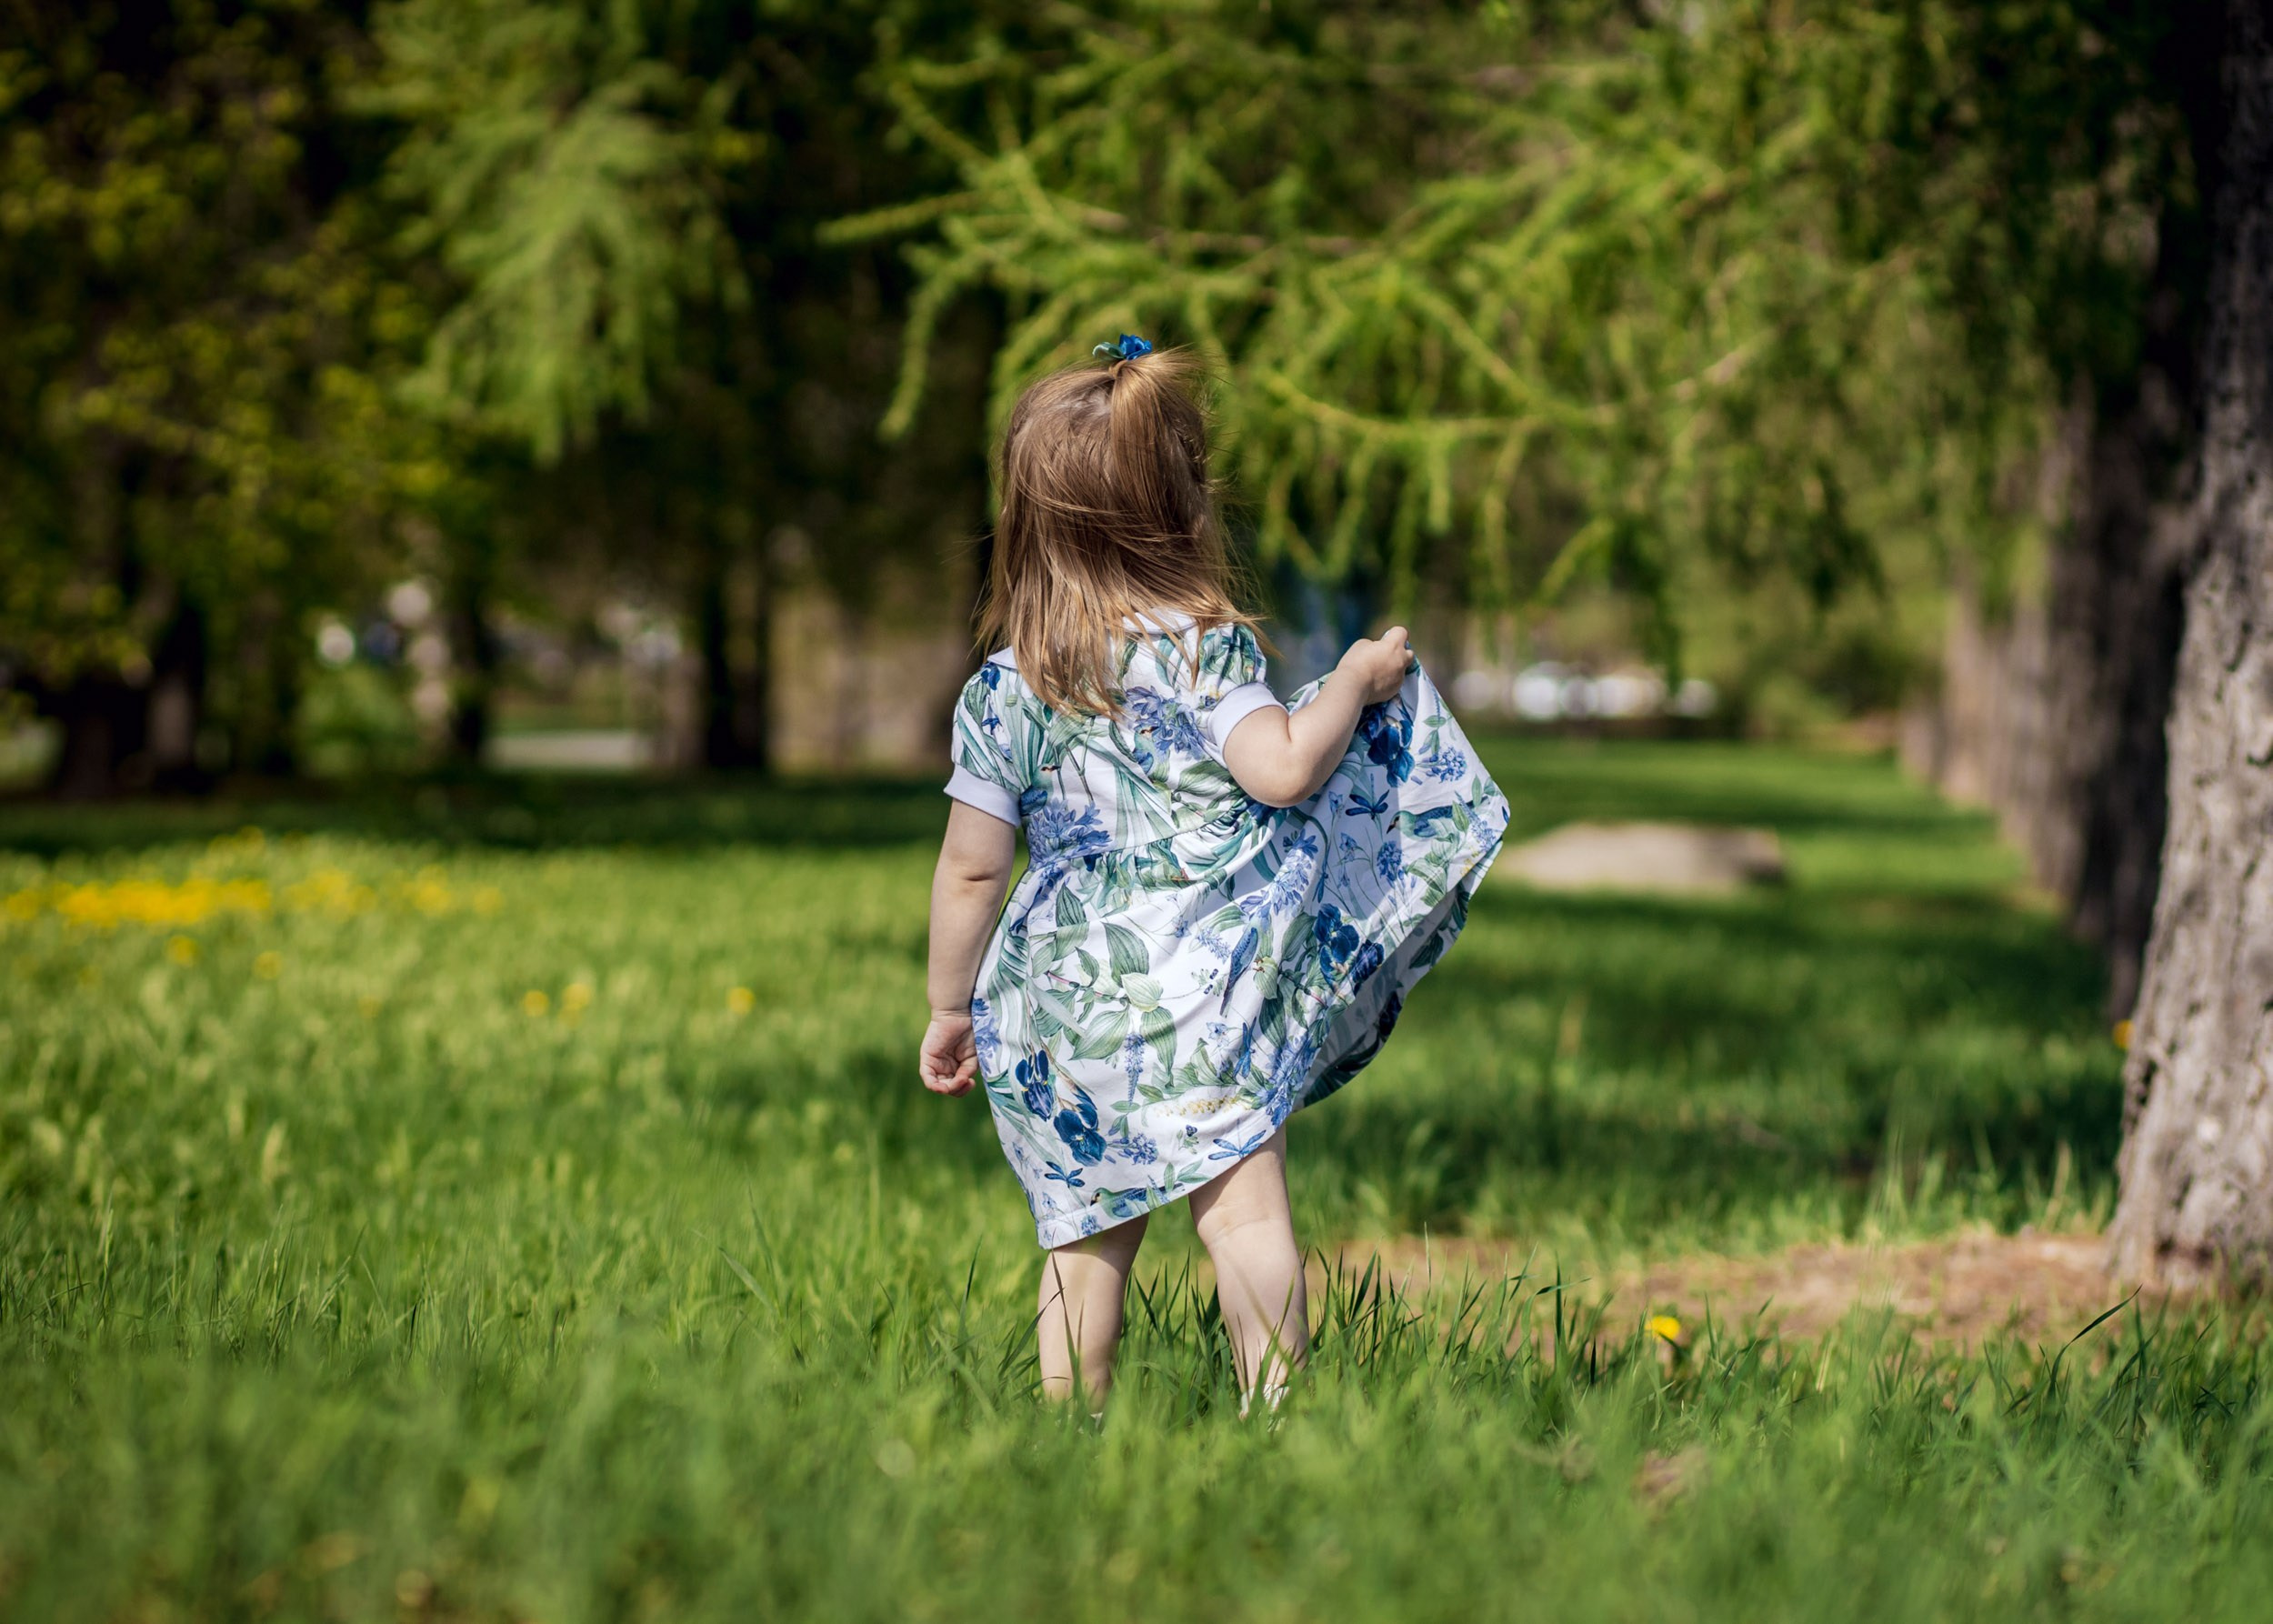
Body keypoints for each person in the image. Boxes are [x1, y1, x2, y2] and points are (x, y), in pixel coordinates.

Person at [918, 336, 1509, 1412]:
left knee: (1082, 1244)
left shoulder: (1003, 689)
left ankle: (1064, 1434)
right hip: (1205, 989)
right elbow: (1282, 769)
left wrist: (949, 1007)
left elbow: (970, 873)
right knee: (1244, 1217)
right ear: (1181, 512)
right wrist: (1353, 680)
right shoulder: (1198, 650)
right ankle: (1277, 1416)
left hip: (1063, 999)